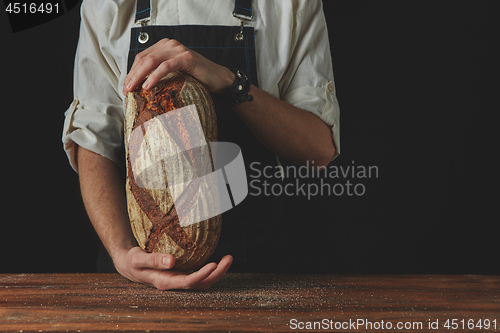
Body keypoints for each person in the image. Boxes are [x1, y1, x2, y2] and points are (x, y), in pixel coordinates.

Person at [62, 0, 340, 291]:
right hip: (140, 276)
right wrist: (121, 252)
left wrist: (230, 82)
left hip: (256, 276)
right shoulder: (107, 5)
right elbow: (93, 140)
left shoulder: (289, 5)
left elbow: (319, 147)